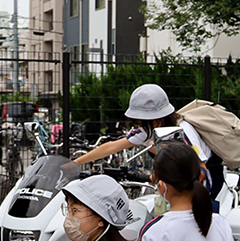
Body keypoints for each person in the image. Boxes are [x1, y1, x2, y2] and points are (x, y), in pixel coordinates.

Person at [71, 83, 224, 197]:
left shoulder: (183, 131)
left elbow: (201, 168)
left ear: (160, 116)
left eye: (143, 118)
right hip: (175, 187)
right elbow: (112, 147)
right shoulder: (148, 129)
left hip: (203, 186)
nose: (139, 122)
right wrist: (74, 164)